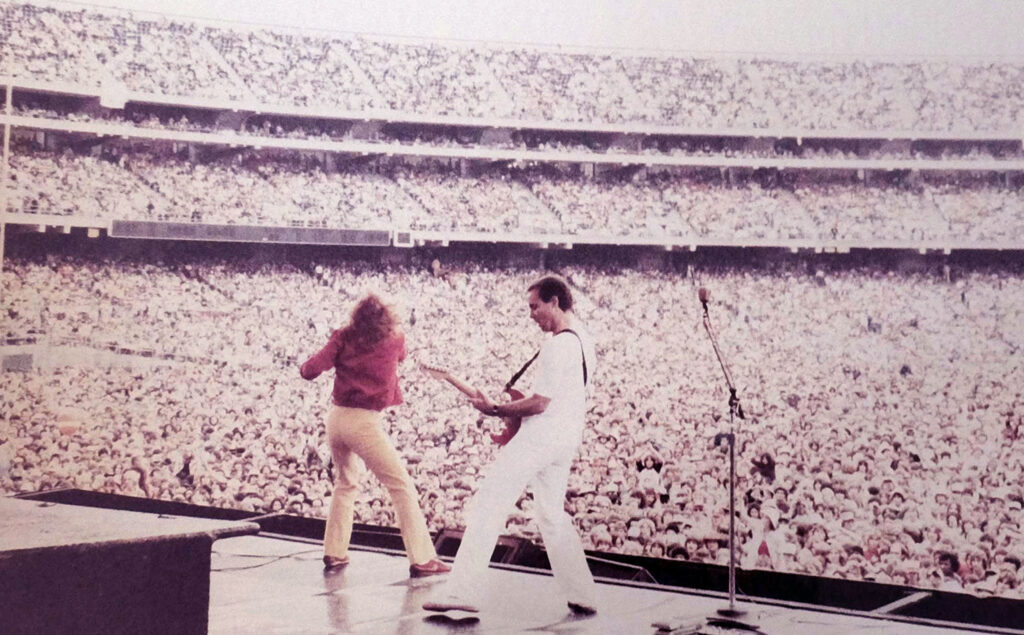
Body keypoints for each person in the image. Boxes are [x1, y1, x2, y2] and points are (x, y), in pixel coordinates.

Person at [424, 274, 598, 616]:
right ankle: (582, 592)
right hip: (566, 437)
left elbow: (539, 403)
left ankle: (461, 591)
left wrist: (497, 409)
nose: (531, 314)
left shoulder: (557, 345)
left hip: (541, 437)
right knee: (551, 515)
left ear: (554, 301)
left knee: (490, 501)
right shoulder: (583, 339)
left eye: (535, 307)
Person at [300, 294, 449, 577]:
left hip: (336, 417)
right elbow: (401, 355)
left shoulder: (342, 336)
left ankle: (334, 552)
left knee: (345, 484)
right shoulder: (394, 339)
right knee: (401, 486)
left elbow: (309, 371)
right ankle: (422, 558)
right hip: (364, 421)